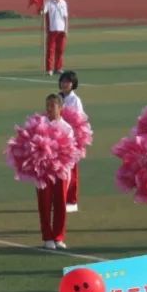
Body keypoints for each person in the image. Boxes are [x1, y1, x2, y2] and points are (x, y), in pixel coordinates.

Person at [38, 94, 74, 250]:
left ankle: (59, 236)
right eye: (47, 105)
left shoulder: (67, 128)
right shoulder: (39, 124)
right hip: (43, 171)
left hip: (61, 172)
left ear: (61, 108)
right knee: (44, 203)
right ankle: (47, 236)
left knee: (60, 203)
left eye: (52, 106)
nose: (49, 109)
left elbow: (70, 151)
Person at [59, 71, 84, 213]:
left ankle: (72, 201)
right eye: (63, 81)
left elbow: (79, 121)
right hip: (58, 140)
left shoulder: (75, 100)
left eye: (68, 82)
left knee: (72, 171)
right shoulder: (58, 97)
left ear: (73, 84)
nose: (64, 84)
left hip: (71, 139)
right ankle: (60, 198)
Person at [44, 0, 69, 76]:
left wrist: (66, 29)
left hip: (61, 30)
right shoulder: (48, 2)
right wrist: (41, 10)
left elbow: (66, 17)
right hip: (52, 30)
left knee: (60, 50)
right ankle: (49, 69)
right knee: (51, 50)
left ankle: (58, 68)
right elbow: (43, 11)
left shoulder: (64, 3)